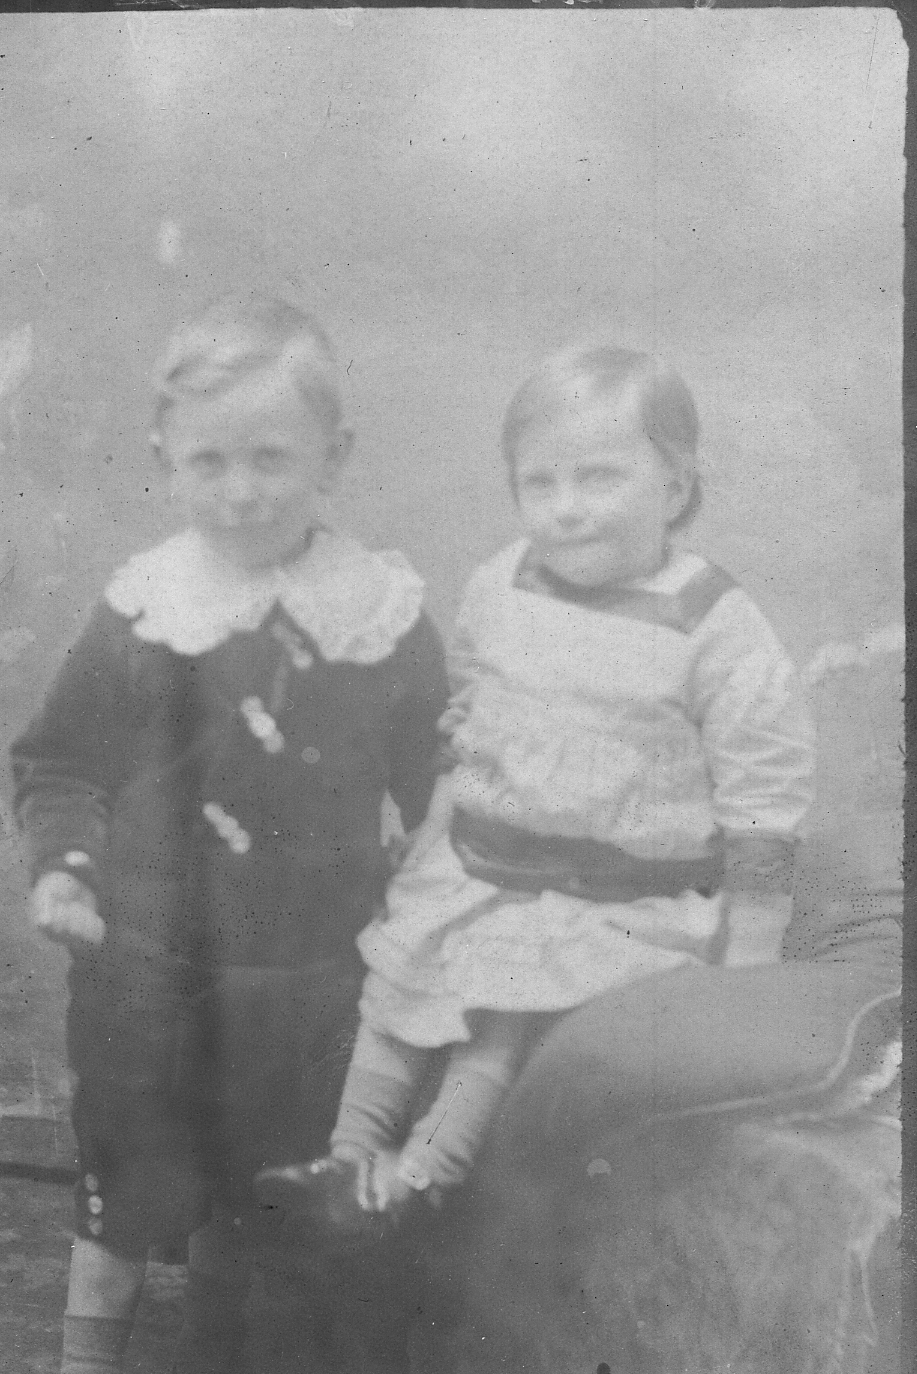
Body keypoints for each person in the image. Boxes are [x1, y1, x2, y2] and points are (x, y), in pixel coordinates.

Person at [1, 294, 448, 1374]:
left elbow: (437, 777)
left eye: (271, 458)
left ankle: (219, 1363)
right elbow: (59, 761)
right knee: (127, 1176)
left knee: (250, 1184)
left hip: (305, 981)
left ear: (333, 457)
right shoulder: (146, 606)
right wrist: (65, 868)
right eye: (209, 460)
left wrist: (437, 881)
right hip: (147, 966)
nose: (241, 490)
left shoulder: (379, 615)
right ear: (164, 456)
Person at [255, 344, 816, 1228]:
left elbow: (764, 790)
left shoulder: (714, 622)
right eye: (539, 483)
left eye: (598, 478)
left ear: (675, 486)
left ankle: (421, 1175)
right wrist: (437, 825)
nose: (566, 507)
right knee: (399, 989)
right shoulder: (500, 582)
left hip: (615, 895)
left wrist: (752, 949)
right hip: (485, 862)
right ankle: (347, 1159)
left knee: (501, 1014)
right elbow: (473, 720)